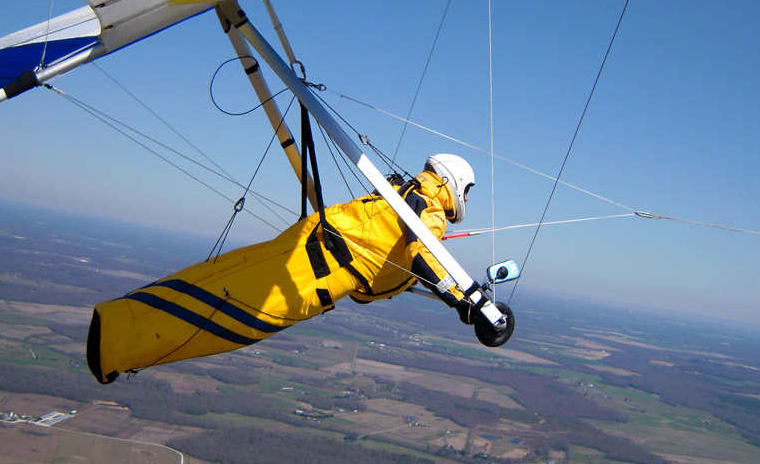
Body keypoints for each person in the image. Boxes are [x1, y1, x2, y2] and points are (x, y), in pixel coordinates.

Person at [87, 154, 487, 384]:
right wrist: (467, 302)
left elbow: (378, 275)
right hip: (315, 274)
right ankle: (114, 348)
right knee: (231, 317)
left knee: (215, 277)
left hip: (304, 243)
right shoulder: (429, 211)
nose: (464, 200)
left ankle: (118, 319)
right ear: (452, 180)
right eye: (466, 191)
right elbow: (420, 253)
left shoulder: (403, 192)